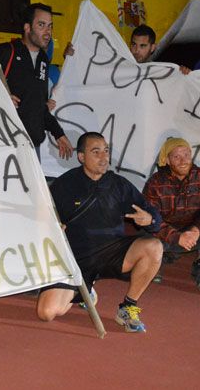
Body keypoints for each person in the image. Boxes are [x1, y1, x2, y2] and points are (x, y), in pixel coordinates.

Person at [37, 133, 163, 332]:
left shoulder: (119, 185)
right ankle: (87, 288)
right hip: (76, 258)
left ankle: (129, 306)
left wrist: (151, 219)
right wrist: (53, 227)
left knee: (154, 247)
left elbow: (153, 215)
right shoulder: (64, 185)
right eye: (95, 152)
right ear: (81, 157)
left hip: (112, 252)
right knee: (47, 313)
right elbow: (43, 218)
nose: (103, 157)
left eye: (106, 151)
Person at [141, 137, 200, 296]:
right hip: (163, 233)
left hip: (191, 232)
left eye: (187, 155)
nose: (183, 161)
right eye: (176, 157)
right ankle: (155, 267)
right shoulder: (155, 183)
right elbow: (151, 218)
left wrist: (196, 230)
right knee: (148, 229)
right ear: (167, 160)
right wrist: (176, 236)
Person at [0, 3, 73, 160]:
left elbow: (39, 107)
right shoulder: (6, 51)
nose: (48, 32)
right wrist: (1, 95)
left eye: (50, 26)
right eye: (41, 25)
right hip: (5, 147)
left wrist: (58, 133)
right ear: (27, 28)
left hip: (33, 148)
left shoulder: (42, 60)